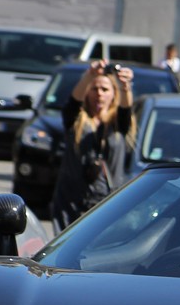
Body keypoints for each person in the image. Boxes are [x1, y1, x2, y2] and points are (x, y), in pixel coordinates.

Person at [51, 59, 135, 229]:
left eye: (105, 89)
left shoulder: (117, 124)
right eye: (94, 89)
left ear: (114, 94)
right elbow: (73, 103)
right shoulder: (76, 121)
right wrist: (90, 75)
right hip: (72, 202)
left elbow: (126, 110)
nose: (99, 94)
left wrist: (125, 87)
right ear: (87, 92)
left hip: (107, 203)